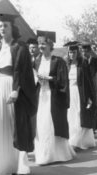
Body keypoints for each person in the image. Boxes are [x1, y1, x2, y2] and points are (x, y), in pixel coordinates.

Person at [0, 13, 37, 175]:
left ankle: (17, 165)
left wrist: (16, 90)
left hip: (14, 88)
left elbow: (24, 71)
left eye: (5, 26)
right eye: (0, 26)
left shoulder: (20, 47)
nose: (2, 28)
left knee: (15, 127)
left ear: (12, 28)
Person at [34, 31, 75, 165]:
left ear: (50, 45)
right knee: (42, 124)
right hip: (41, 96)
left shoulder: (58, 61)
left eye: (43, 44)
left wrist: (50, 78)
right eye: (39, 44)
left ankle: (58, 154)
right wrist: (37, 79)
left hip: (54, 96)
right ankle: (44, 154)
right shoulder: (37, 60)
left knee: (52, 123)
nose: (41, 46)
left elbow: (63, 81)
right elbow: (33, 76)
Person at [64, 41, 96, 150]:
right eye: (69, 53)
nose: (71, 55)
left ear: (77, 53)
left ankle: (76, 142)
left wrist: (89, 97)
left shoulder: (83, 64)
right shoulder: (66, 65)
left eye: (73, 52)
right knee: (71, 117)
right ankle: (74, 140)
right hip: (69, 93)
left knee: (79, 116)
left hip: (80, 93)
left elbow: (88, 81)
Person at [80, 42, 97, 138]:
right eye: (82, 51)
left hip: (94, 85)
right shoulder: (81, 61)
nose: (84, 53)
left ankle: (94, 128)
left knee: (93, 106)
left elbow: (96, 73)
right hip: (85, 86)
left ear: (90, 51)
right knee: (86, 107)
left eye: (86, 51)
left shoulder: (94, 60)